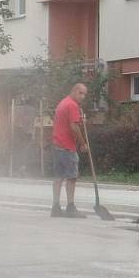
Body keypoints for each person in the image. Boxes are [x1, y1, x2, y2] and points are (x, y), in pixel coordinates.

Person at [51, 83, 89, 218]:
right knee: (72, 177)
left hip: (57, 144)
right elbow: (74, 127)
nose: (83, 97)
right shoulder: (72, 105)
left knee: (58, 177)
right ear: (74, 91)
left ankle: (55, 207)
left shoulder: (63, 103)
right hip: (67, 146)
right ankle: (70, 207)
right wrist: (83, 143)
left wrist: (80, 120)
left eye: (84, 94)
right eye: (81, 93)